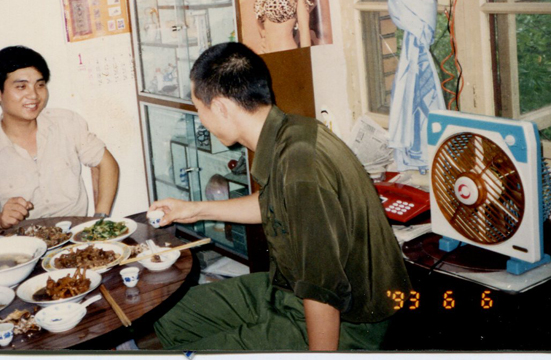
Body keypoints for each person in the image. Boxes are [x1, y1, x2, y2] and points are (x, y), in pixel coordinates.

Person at [150, 42, 410, 351]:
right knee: (170, 316)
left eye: (199, 109)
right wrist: (193, 210)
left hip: (349, 322)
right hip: (289, 293)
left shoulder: (301, 168)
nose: (201, 119)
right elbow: (272, 205)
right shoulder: (292, 131)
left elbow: (322, 293)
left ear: (220, 107)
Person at [0, 46, 120, 232]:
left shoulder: (66, 123)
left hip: (74, 236)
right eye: (21, 86)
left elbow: (106, 163)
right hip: (20, 244)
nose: (34, 95)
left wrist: (99, 220)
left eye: (40, 85)